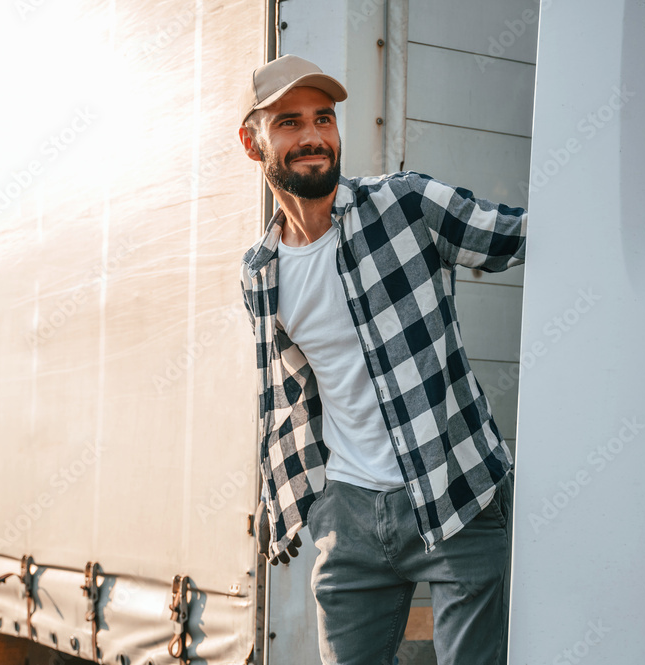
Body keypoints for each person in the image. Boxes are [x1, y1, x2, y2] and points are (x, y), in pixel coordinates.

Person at [238, 54, 526, 665]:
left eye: (324, 119)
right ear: (252, 140)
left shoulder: (406, 206)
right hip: (349, 519)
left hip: (458, 495)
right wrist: (297, 504)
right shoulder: (260, 271)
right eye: (289, 123)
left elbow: (527, 236)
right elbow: (291, 398)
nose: (313, 137)